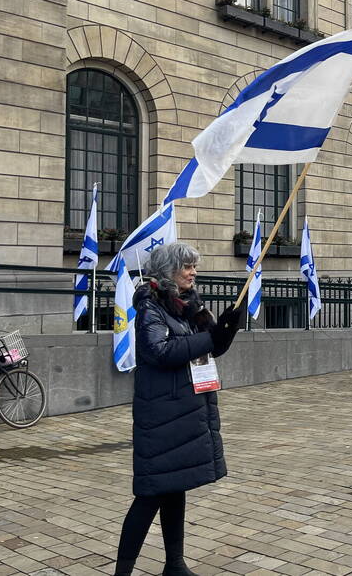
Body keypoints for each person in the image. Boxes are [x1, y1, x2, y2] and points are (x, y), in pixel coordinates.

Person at [114, 242, 245, 576]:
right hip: (162, 413)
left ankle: (174, 564)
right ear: (169, 270)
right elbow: (159, 350)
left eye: (194, 266)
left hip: (185, 409)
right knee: (149, 496)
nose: (193, 272)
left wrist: (227, 328)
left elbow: (211, 347)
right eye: (187, 266)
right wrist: (211, 337)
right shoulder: (151, 305)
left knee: (175, 487)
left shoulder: (190, 306)